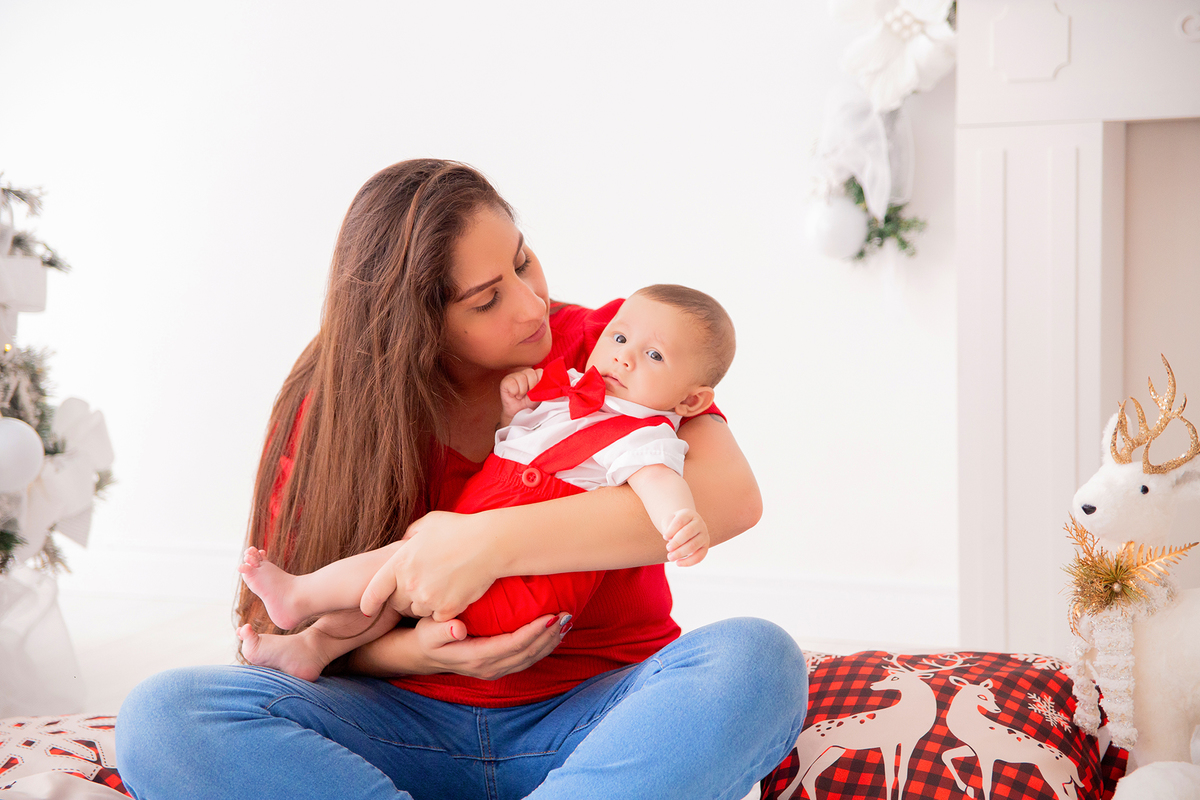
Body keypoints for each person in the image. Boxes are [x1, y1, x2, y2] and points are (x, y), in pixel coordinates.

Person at [116, 159, 807, 800]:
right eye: (486, 300)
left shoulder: (608, 349)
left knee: (756, 662)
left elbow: (731, 499)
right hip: (400, 728)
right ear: (415, 326)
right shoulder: (326, 414)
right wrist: (410, 652)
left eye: (522, 260)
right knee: (166, 717)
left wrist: (492, 542)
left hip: (602, 715)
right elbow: (282, 632)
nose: (533, 304)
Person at [235, 284, 733, 681]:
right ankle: (312, 646)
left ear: (691, 401)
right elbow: (522, 447)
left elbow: (658, 480)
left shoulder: (642, 432)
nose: (623, 357)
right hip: (462, 579)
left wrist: (681, 521)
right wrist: (513, 412)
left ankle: (300, 597)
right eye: (620, 339)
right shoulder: (573, 394)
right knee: (383, 593)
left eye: (654, 356)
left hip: (520, 594)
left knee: (391, 571)